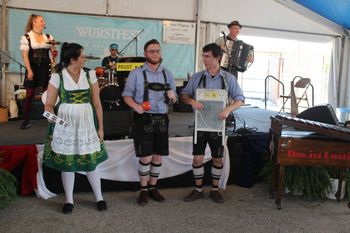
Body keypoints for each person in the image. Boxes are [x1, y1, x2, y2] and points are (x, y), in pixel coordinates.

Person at [43, 42, 108, 214]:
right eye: (82, 56)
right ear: (73, 59)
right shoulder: (58, 77)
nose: (84, 59)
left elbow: (97, 104)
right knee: (68, 164)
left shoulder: (90, 74)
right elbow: (48, 106)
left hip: (86, 123)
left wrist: (101, 128)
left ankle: (99, 197)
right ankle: (69, 200)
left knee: (91, 163)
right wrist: (55, 121)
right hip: (65, 125)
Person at [180, 43, 245, 203]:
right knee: (197, 159)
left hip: (218, 126)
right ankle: (198, 189)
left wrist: (228, 109)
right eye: (203, 56)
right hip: (200, 125)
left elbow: (240, 99)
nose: (204, 59)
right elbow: (184, 95)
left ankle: (215, 189)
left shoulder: (228, 78)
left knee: (217, 159)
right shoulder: (197, 77)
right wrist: (192, 102)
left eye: (207, 56)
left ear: (217, 58)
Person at [122, 39, 177, 206]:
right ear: (145, 54)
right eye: (152, 51)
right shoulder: (136, 73)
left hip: (162, 117)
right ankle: (143, 189)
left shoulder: (167, 73)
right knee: (145, 157)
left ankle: (153, 187)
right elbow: (126, 95)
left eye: (158, 51)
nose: (155, 54)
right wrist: (136, 107)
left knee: (158, 156)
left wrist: (172, 97)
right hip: (143, 117)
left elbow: (173, 98)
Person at [20, 14, 57, 129]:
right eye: (41, 21)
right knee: (30, 94)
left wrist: (54, 55)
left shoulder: (49, 37)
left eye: (43, 21)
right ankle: (26, 120)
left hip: (45, 67)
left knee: (48, 94)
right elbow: (25, 56)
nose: (44, 23)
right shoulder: (27, 37)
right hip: (33, 67)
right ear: (34, 22)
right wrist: (29, 71)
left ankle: (51, 118)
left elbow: (54, 51)